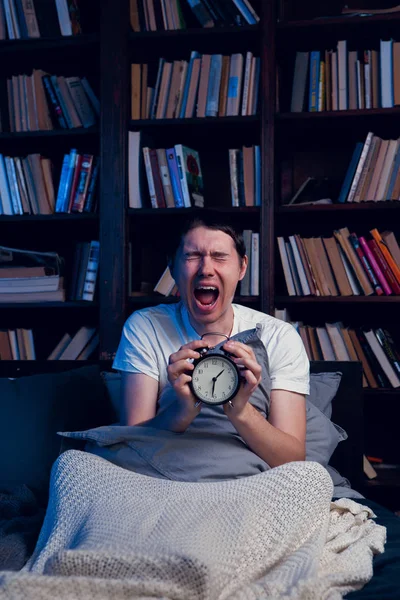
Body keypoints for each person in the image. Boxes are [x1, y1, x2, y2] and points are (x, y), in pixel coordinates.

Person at [112, 216, 309, 470]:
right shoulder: (145, 327)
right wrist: (184, 409)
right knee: (72, 464)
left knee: (313, 478)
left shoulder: (279, 336)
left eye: (219, 256)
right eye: (193, 255)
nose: (206, 269)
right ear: (172, 267)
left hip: (251, 478)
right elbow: (131, 447)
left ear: (242, 268)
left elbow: (292, 461)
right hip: (166, 473)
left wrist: (240, 411)